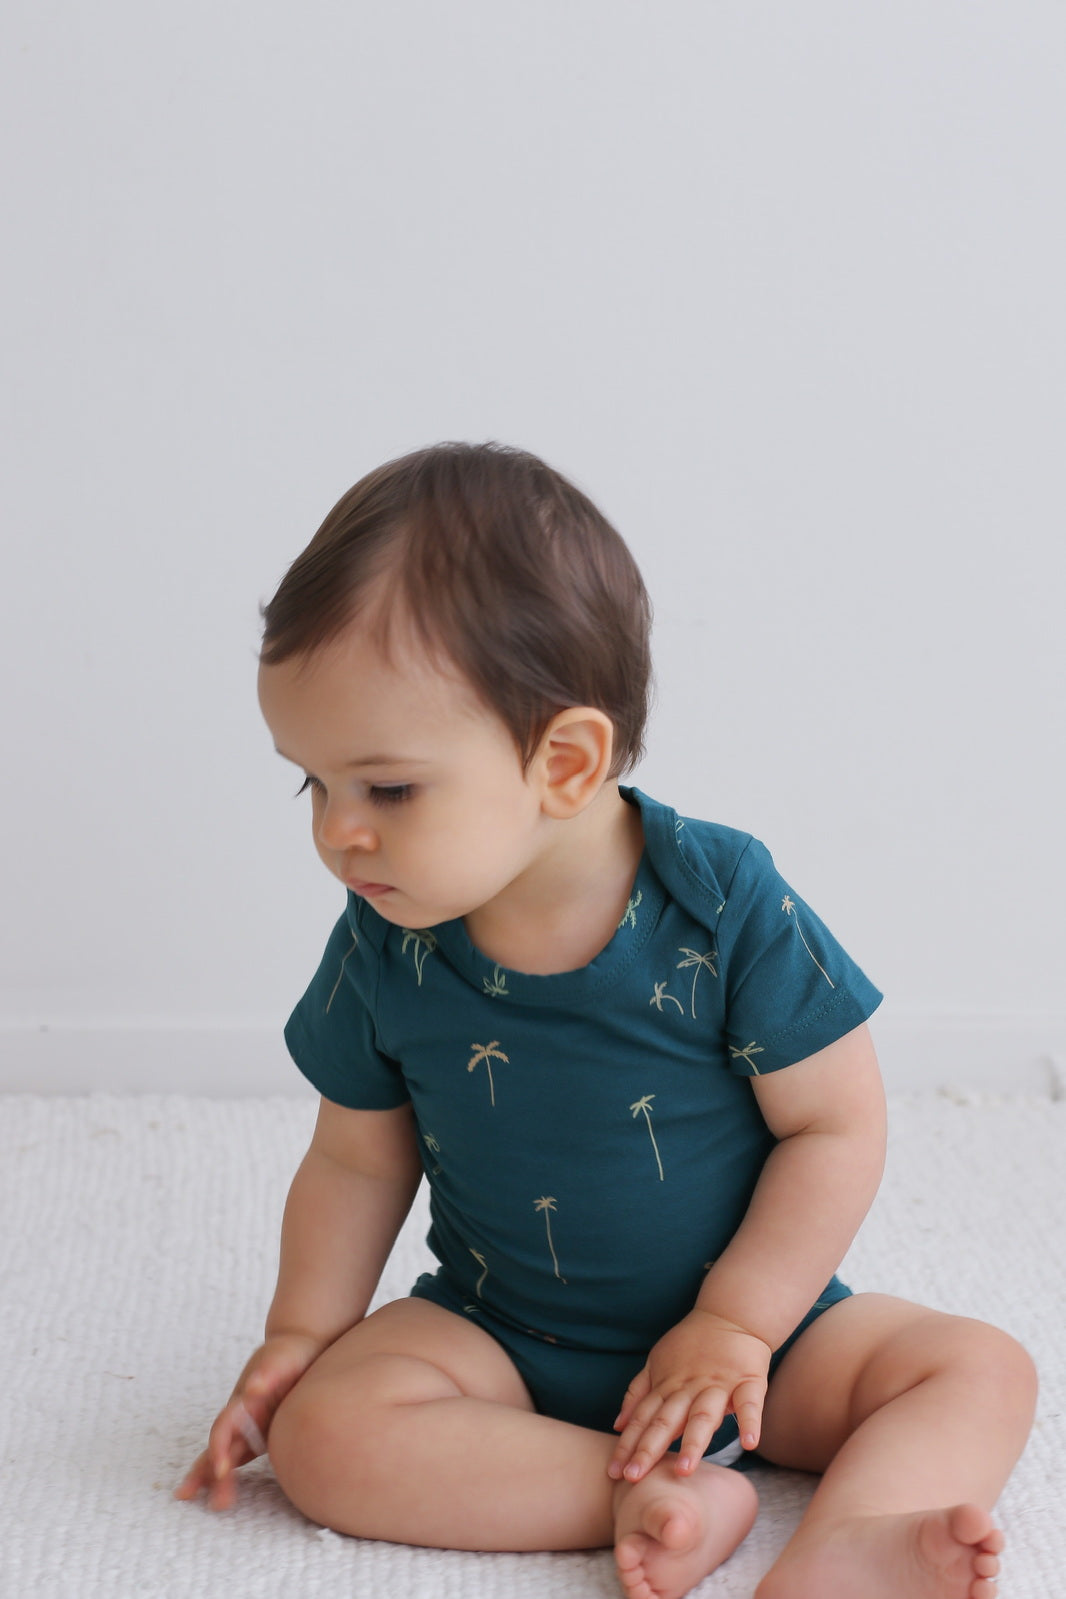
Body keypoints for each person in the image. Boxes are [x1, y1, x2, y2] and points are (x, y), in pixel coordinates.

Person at [177, 443, 1036, 1599]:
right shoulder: (387, 936)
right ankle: (634, 1491)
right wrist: (297, 1338)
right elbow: (351, 1156)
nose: (339, 833)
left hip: (760, 1344)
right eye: (311, 785)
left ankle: (849, 1542)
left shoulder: (717, 897)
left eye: (384, 788)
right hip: (500, 1338)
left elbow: (835, 1127)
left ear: (564, 760)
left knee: (978, 1368)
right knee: (327, 1436)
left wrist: (735, 1323)